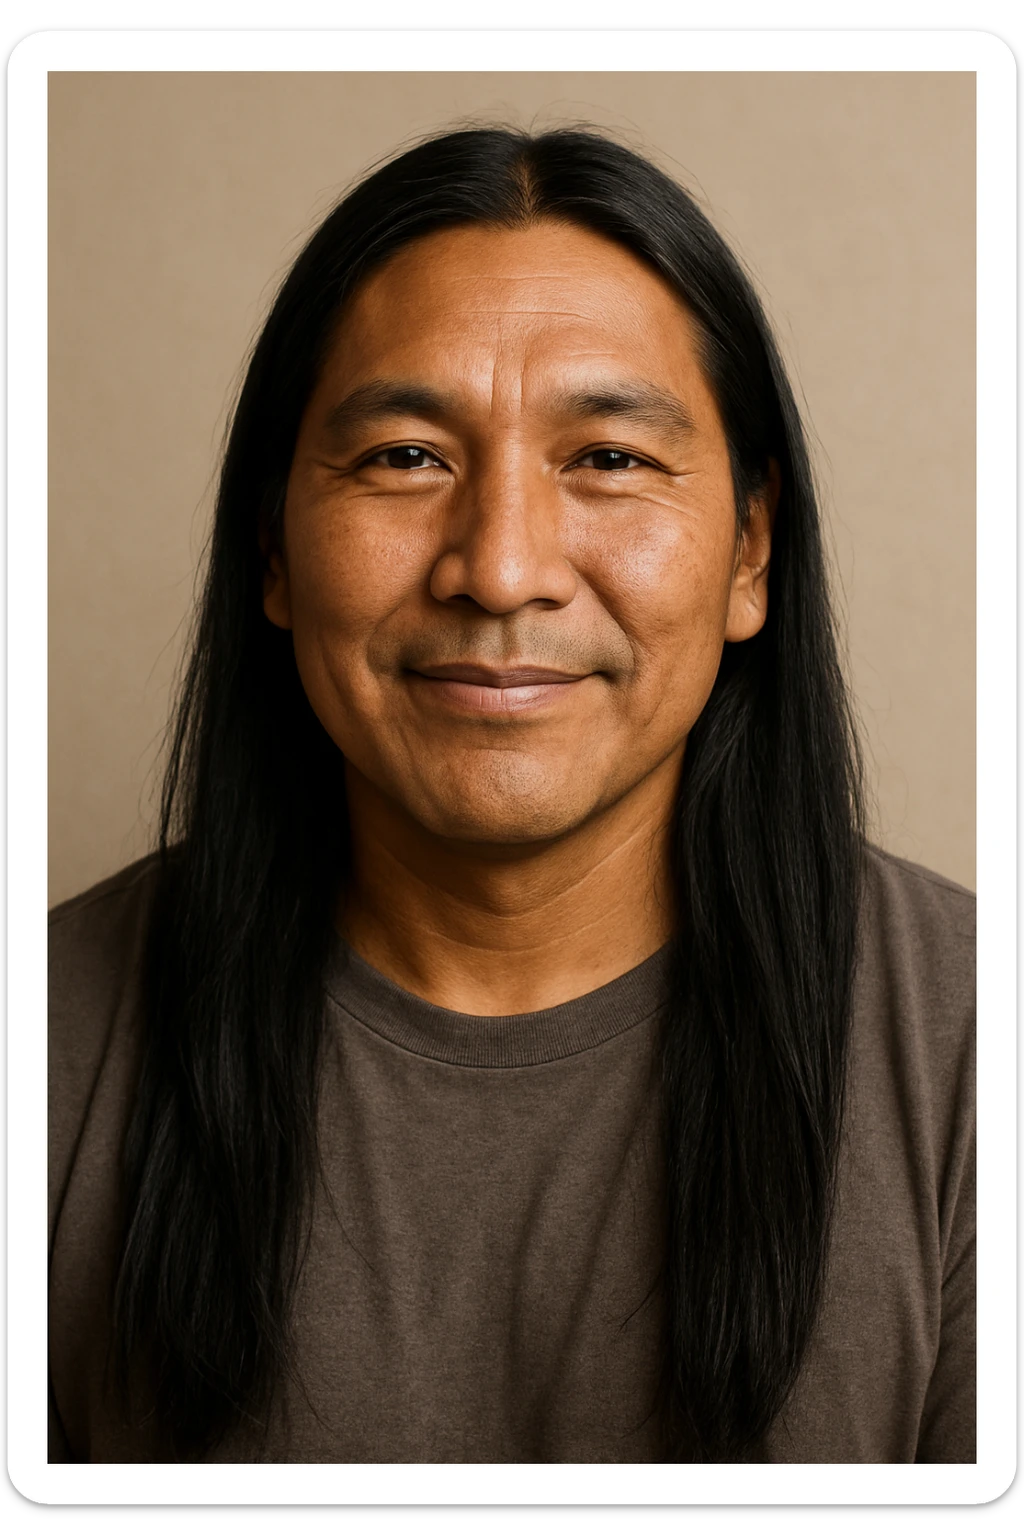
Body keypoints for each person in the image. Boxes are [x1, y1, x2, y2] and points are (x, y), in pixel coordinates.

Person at [48, 126, 975, 1465]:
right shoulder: (51, 1040)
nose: (499, 568)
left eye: (609, 458)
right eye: (404, 457)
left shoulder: (969, 1053)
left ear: (750, 550)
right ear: (273, 550)